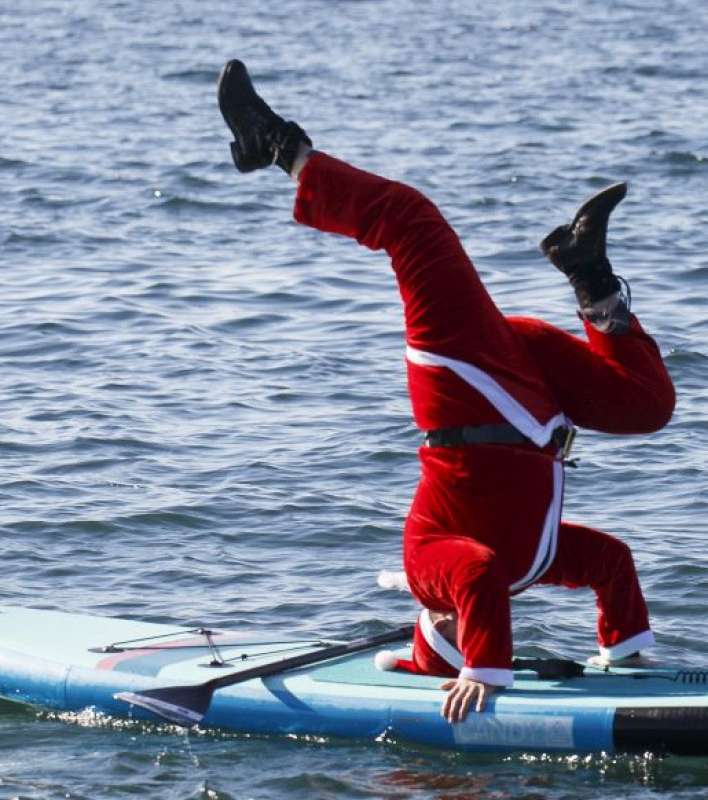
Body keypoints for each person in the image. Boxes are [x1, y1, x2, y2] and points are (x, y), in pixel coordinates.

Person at [215, 60, 675, 723]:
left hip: (461, 381)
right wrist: (626, 653)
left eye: (461, 632)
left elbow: (475, 578)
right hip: (528, 396)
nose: (472, 623)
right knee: (646, 407)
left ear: (438, 623)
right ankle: (590, 274)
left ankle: (275, 146)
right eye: (473, 635)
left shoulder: (433, 568)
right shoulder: (524, 565)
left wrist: (483, 671)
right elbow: (607, 563)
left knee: (410, 222)